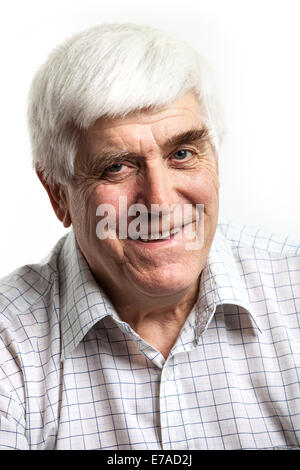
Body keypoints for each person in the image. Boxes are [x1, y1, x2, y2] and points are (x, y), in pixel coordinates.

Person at [0, 23, 299, 451]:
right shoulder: (9, 346)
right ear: (58, 194)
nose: (157, 202)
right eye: (117, 167)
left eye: (181, 154)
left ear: (213, 159)